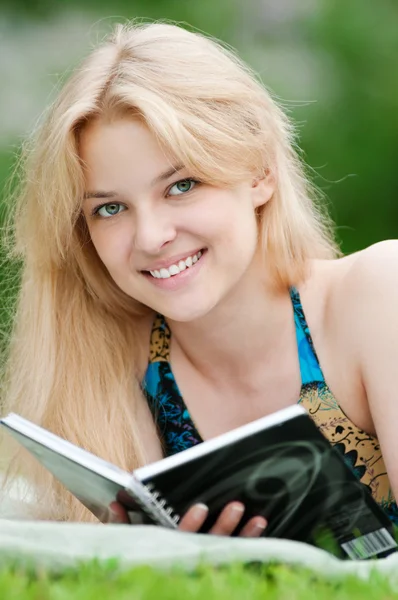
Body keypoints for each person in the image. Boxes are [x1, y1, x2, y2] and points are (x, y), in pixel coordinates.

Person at [1, 21, 397, 536]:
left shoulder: (375, 293)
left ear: (259, 172)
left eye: (181, 185)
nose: (150, 236)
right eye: (110, 208)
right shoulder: (109, 361)